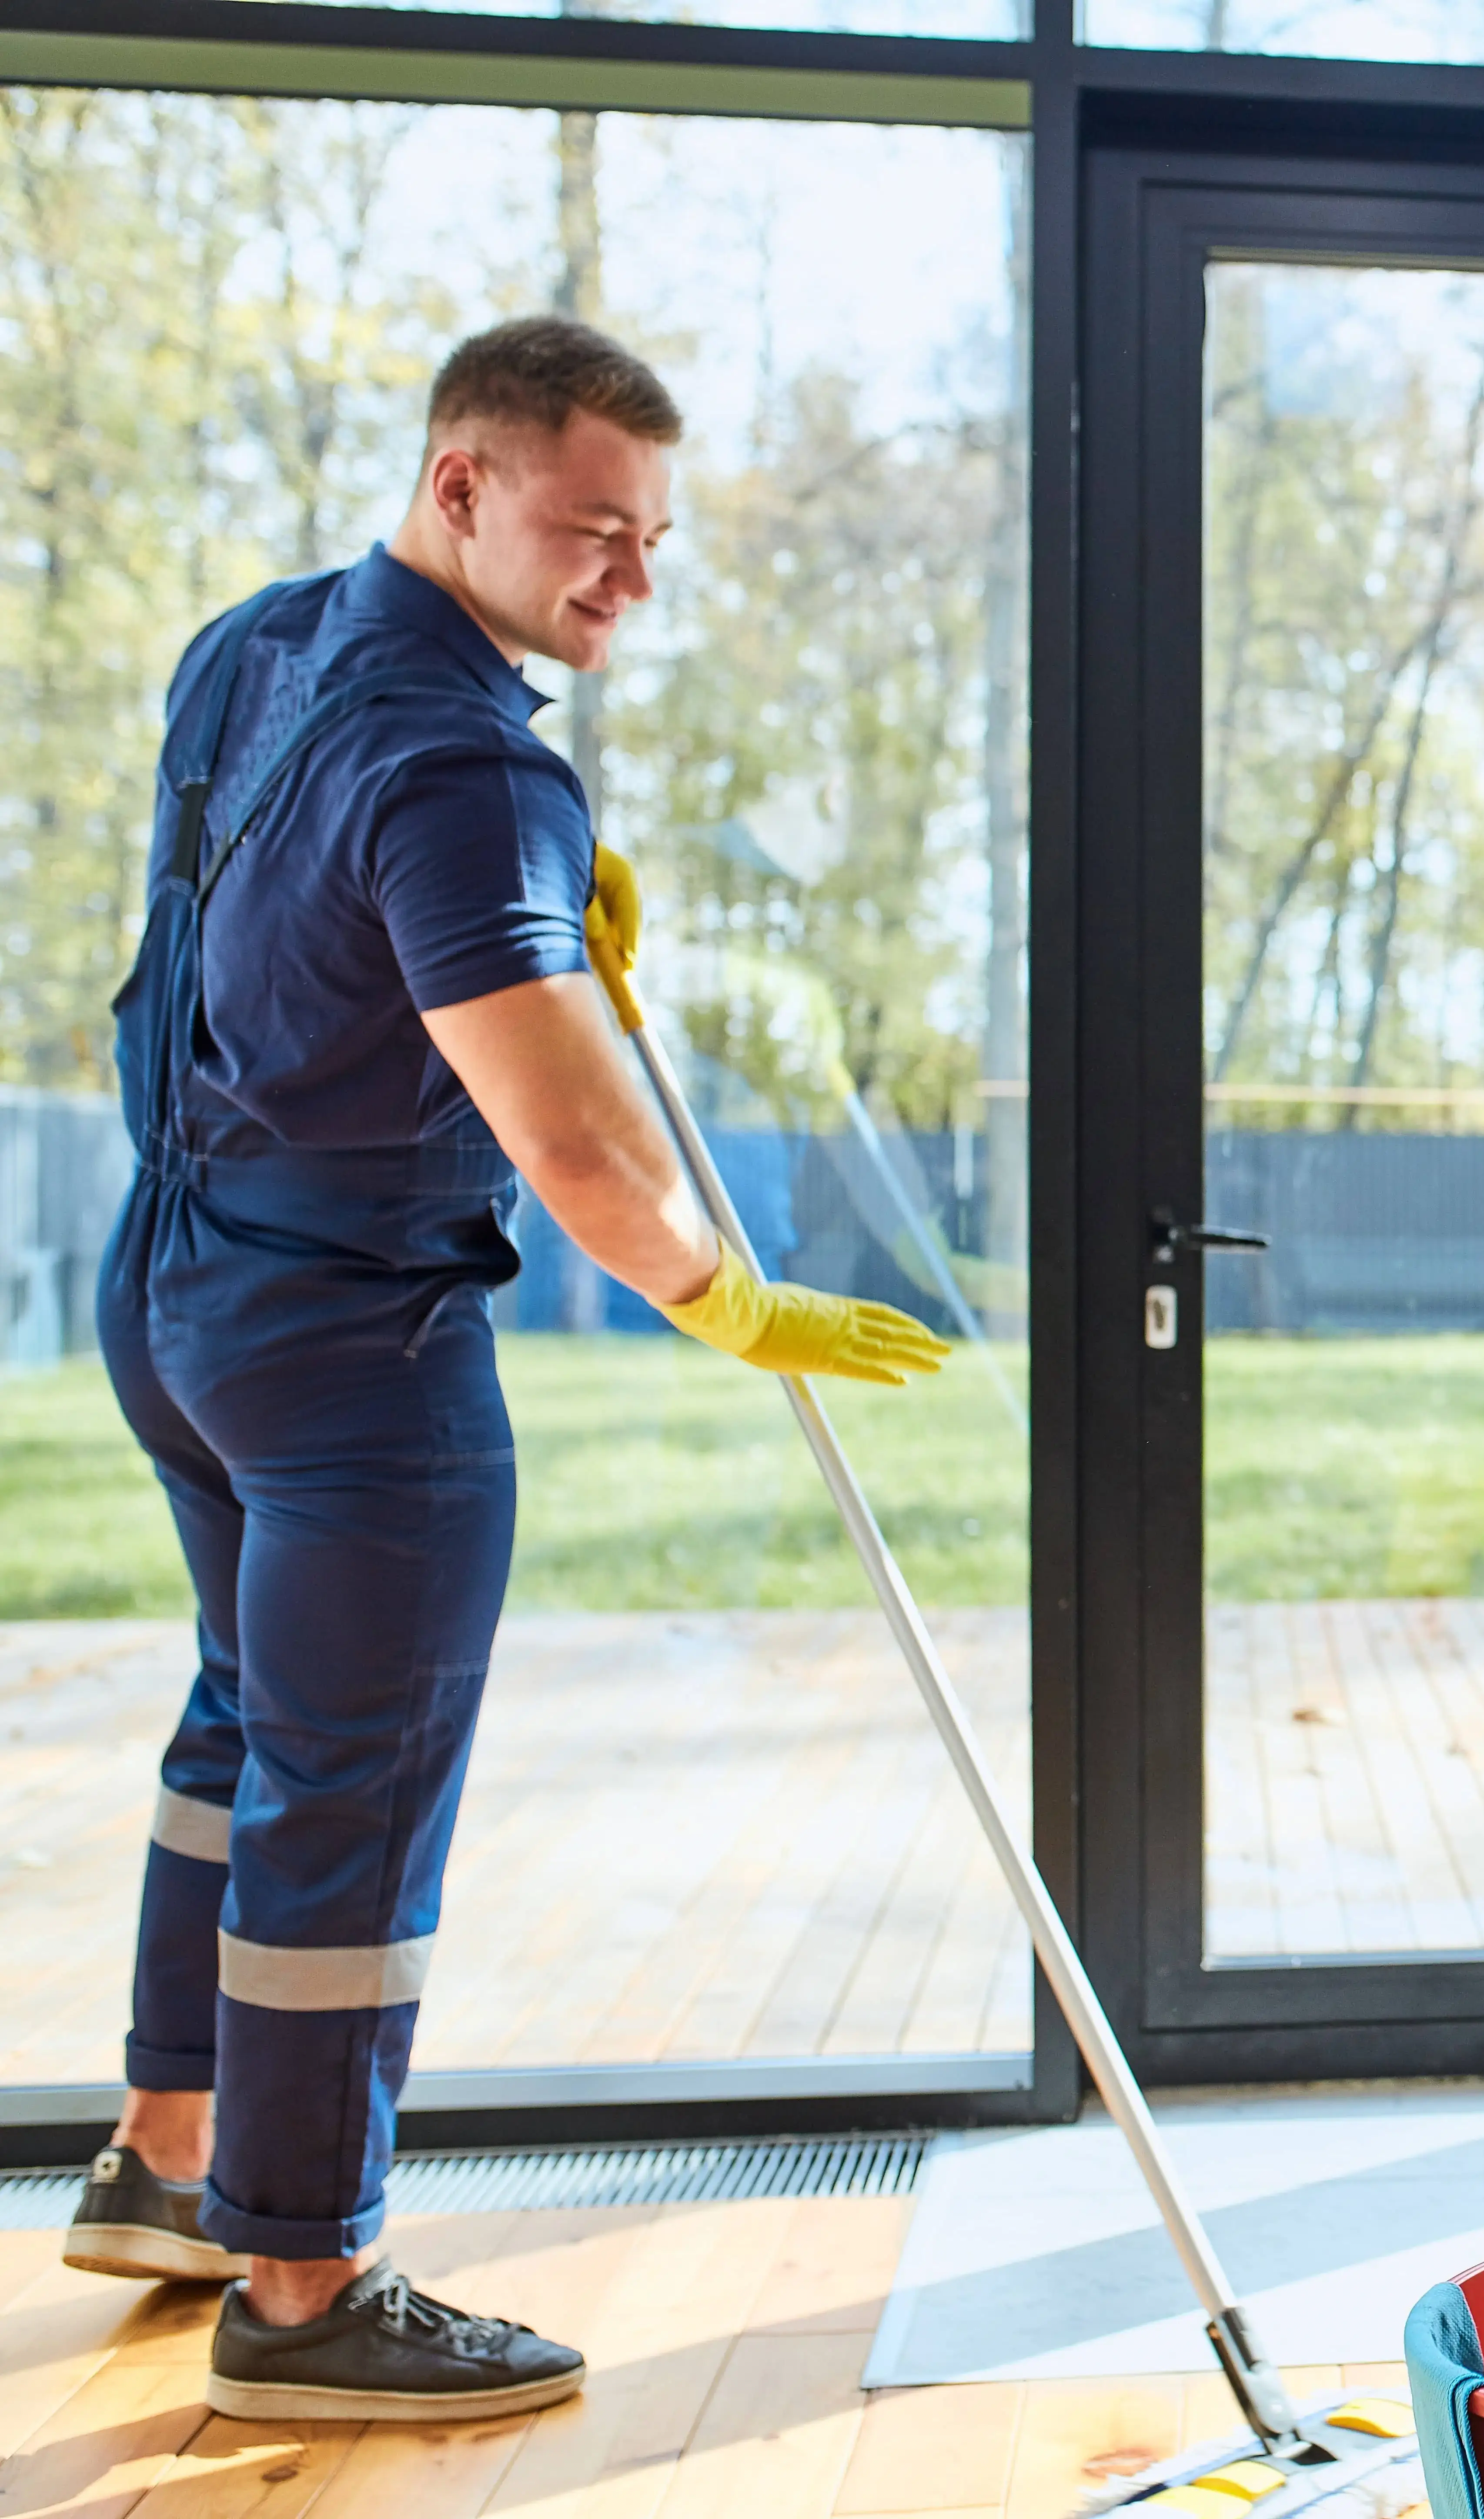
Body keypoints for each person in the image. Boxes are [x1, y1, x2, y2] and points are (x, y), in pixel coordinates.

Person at [63, 317, 949, 2424]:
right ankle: (305, 2284)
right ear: (459, 484)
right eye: (591, 526)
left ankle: (169, 2158)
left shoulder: (254, 646)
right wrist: (729, 1296)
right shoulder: (473, 767)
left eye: (655, 539)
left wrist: (529, 911)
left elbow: (278, 935)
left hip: (177, 1287)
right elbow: (580, 1150)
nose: (630, 576)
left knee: (245, 1728)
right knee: (349, 1801)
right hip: (355, 1353)